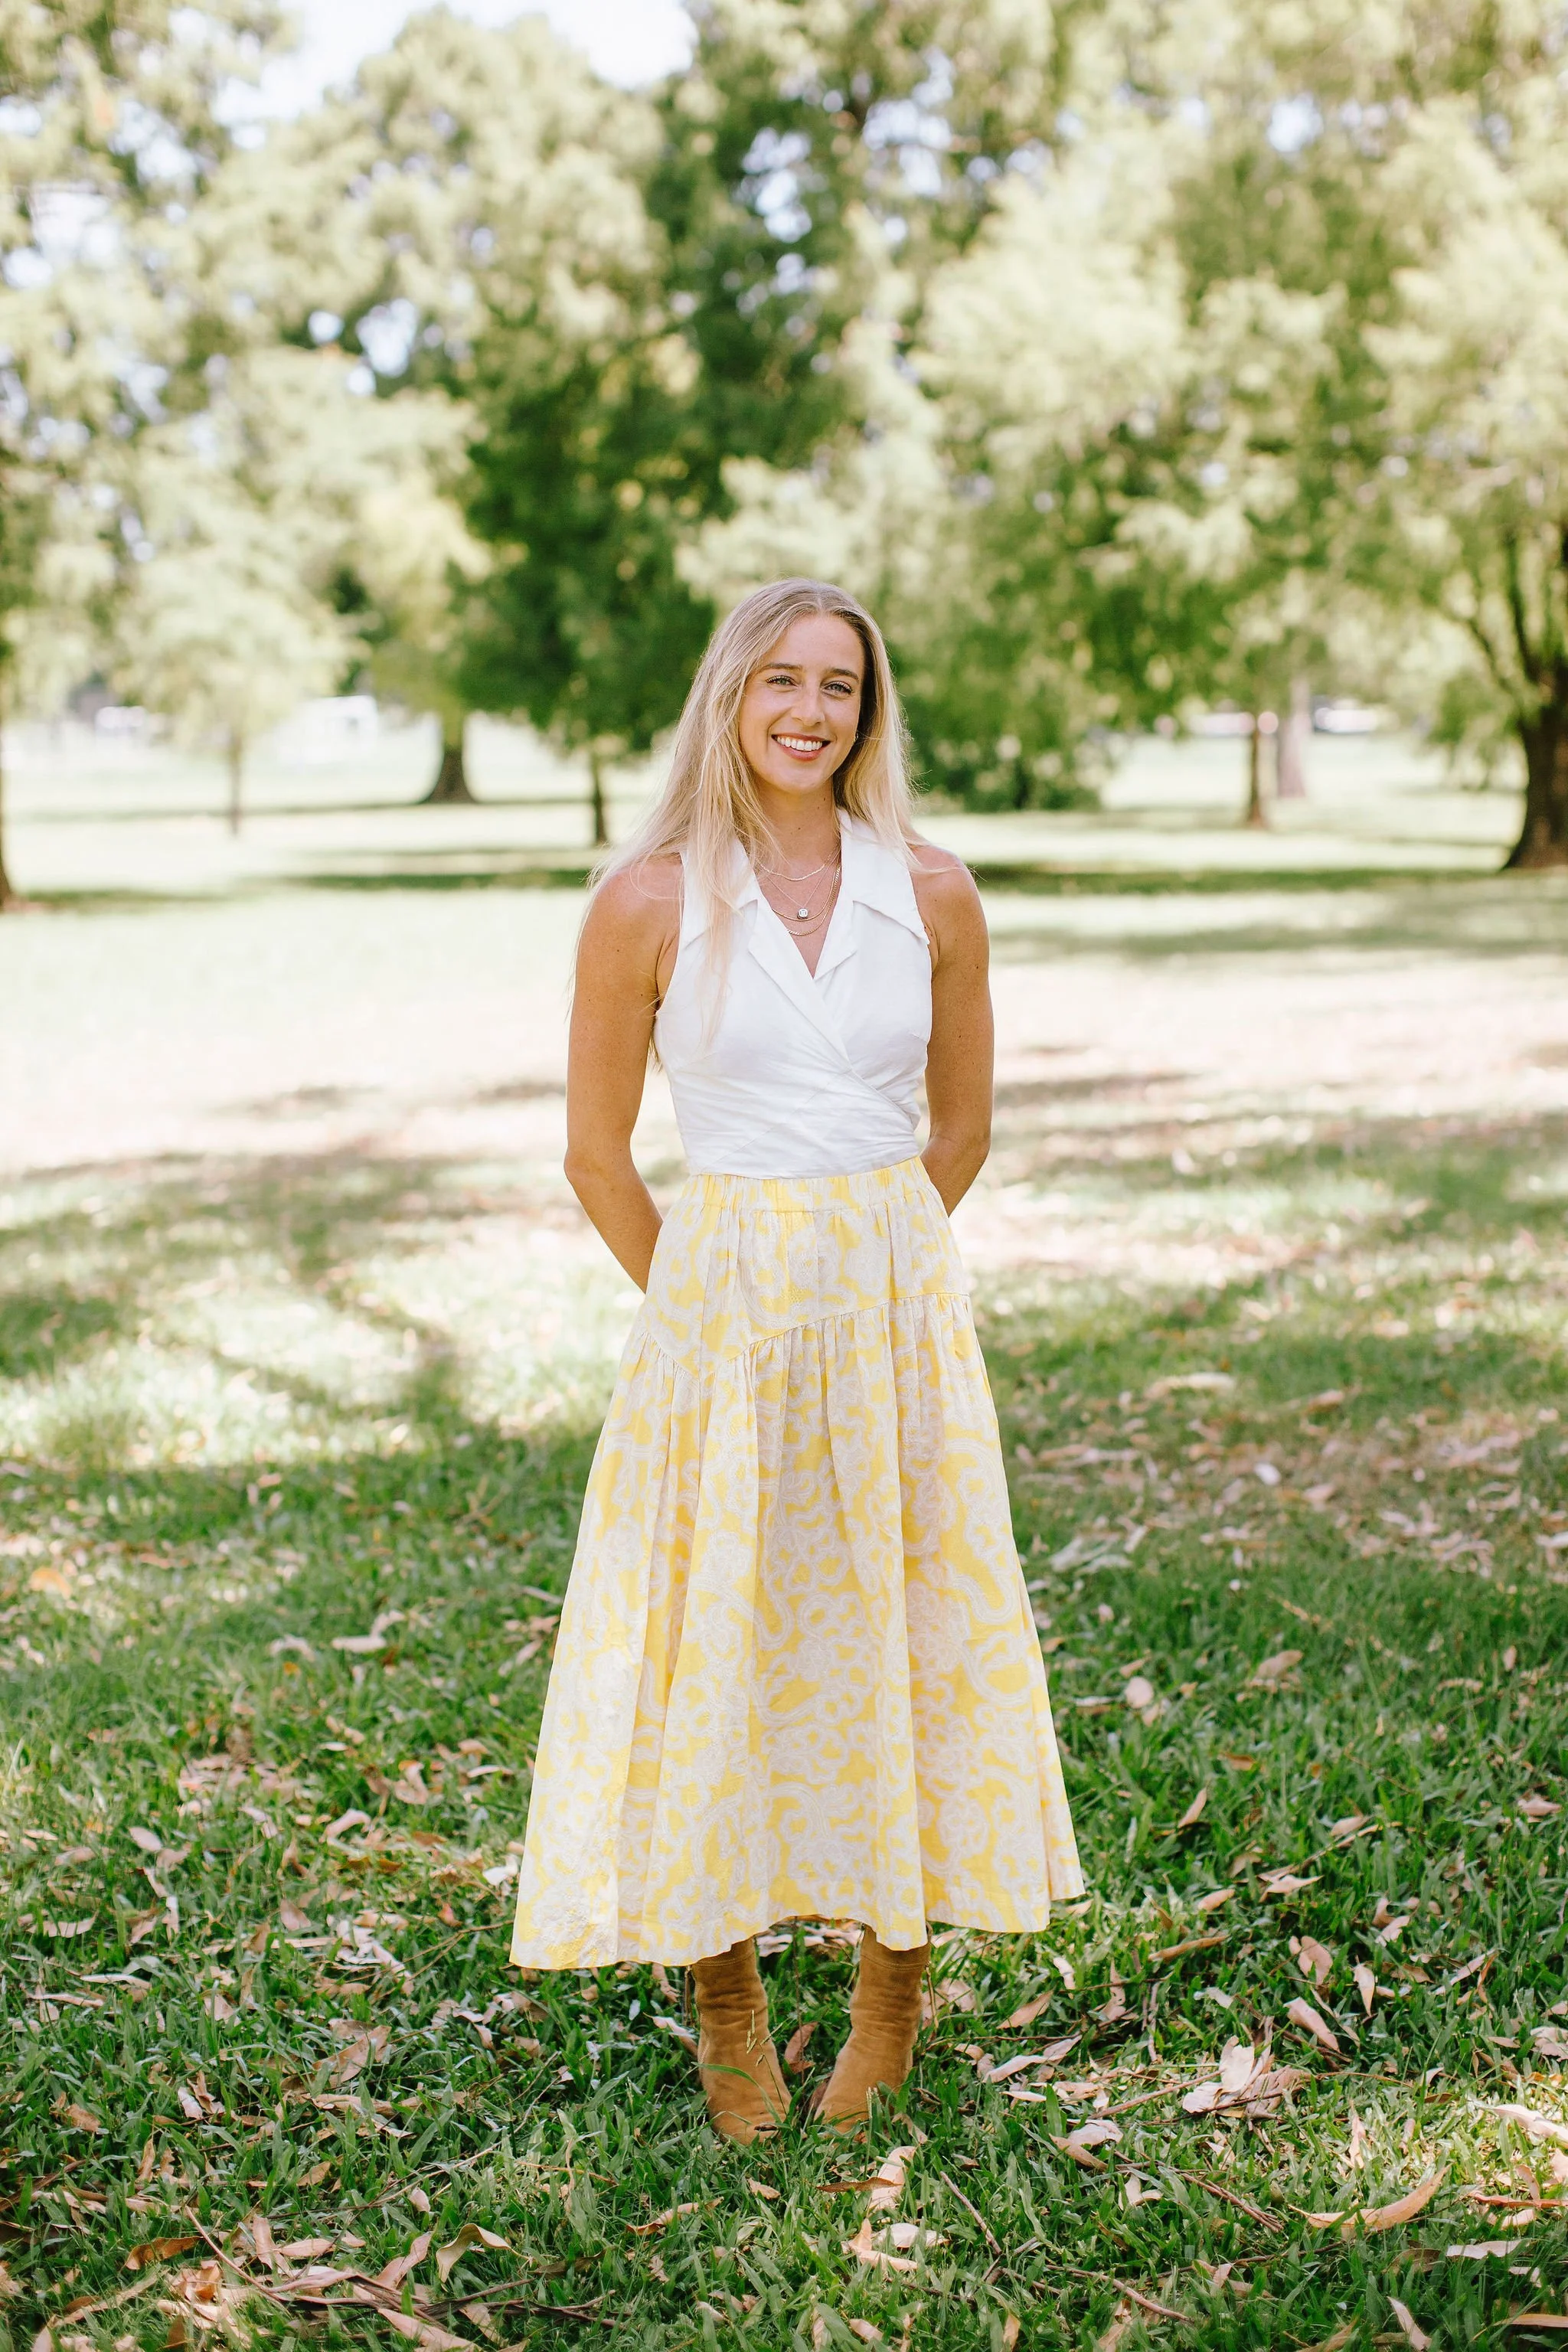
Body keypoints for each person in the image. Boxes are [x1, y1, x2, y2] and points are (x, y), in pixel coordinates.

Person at [510, 577, 1083, 2140]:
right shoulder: (646, 899)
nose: (810, 712)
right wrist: (706, 1309)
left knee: (901, 1631)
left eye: (839, 686)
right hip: (718, 1335)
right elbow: (593, 1156)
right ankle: (729, 2009)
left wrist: (869, 1274)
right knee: (721, 1647)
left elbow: (956, 1130)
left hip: (896, 1326)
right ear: (728, 697)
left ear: (867, 713)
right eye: (781, 682)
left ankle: (892, 1998)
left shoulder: (936, 893)